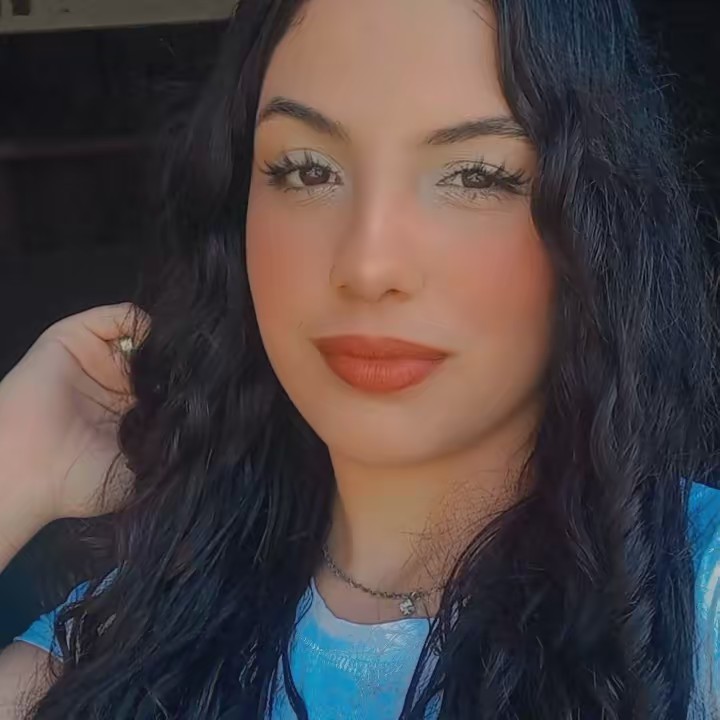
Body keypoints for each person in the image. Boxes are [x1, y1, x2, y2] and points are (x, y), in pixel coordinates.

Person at [0, 0, 718, 717]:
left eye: (477, 175)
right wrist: (15, 459)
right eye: (307, 170)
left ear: (596, 219)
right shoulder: (129, 627)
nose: (369, 265)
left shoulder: (697, 596)